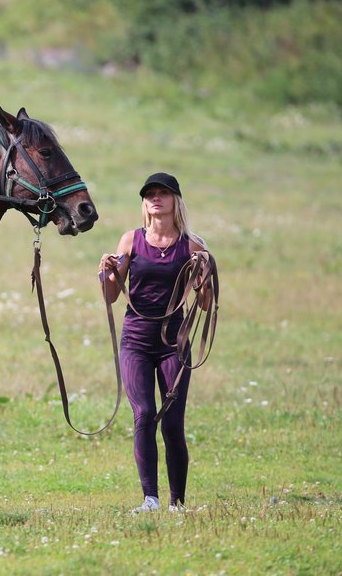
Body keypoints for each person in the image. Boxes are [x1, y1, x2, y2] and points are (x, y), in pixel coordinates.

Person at [98, 172, 210, 513]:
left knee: (173, 423)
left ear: (176, 200)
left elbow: (205, 303)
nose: (155, 198)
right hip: (135, 341)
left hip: (173, 343)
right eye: (150, 194)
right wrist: (105, 273)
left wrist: (204, 274)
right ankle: (150, 499)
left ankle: (177, 502)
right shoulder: (131, 241)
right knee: (144, 413)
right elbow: (111, 296)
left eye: (162, 193)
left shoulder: (191, 246)